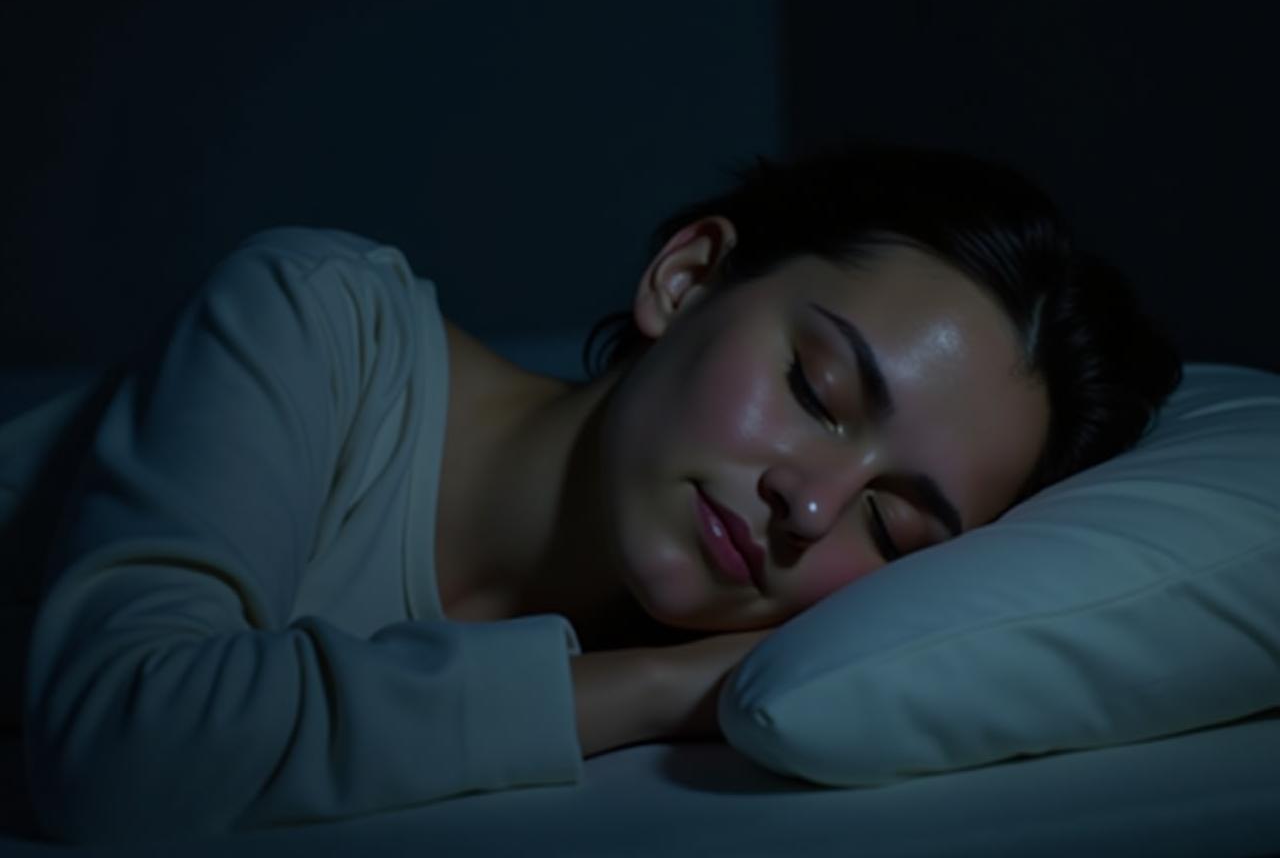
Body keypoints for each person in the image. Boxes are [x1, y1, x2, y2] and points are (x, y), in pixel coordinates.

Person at [11, 141, 1181, 843]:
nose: (809, 505)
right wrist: (665, 687)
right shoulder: (318, 316)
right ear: (687, 278)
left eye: (889, 523)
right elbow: (116, 747)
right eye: (815, 390)